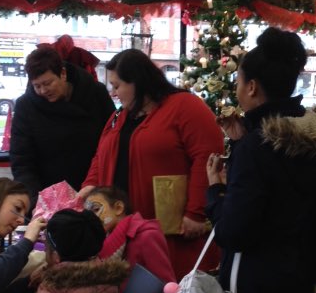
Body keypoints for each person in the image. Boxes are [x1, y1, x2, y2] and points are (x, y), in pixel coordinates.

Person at [205, 28, 316, 293]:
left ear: (252, 87)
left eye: (239, 82)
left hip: (254, 286)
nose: (237, 90)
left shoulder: (257, 148)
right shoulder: (313, 135)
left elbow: (234, 232)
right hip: (297, 278)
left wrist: (215, 190)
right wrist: (244, 142)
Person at [80, 48, 224, 280]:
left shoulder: (185, 106)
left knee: (168, 291)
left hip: (170, 227)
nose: (113, 93)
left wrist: (195, 212)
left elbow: (207, 157)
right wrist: (91, 187)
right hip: (122, 228)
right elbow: (101, 155)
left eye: (117, 86)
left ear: (137, 82)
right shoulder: (121, 115)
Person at [9, 44, 115, 205]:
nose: (43, 90)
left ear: (63, 74)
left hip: (95, 191)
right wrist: (36, 200)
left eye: (48, 83)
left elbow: (111, 141)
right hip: (49, 198)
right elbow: (22, 160)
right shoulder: (26, 106)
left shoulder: (95, 94)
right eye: (37, 86)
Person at [84, 185, 175, 293]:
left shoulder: (146, 235)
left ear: (118, 208)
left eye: (96, 209)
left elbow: (166, 284)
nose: (93, 217)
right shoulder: (106, 239)